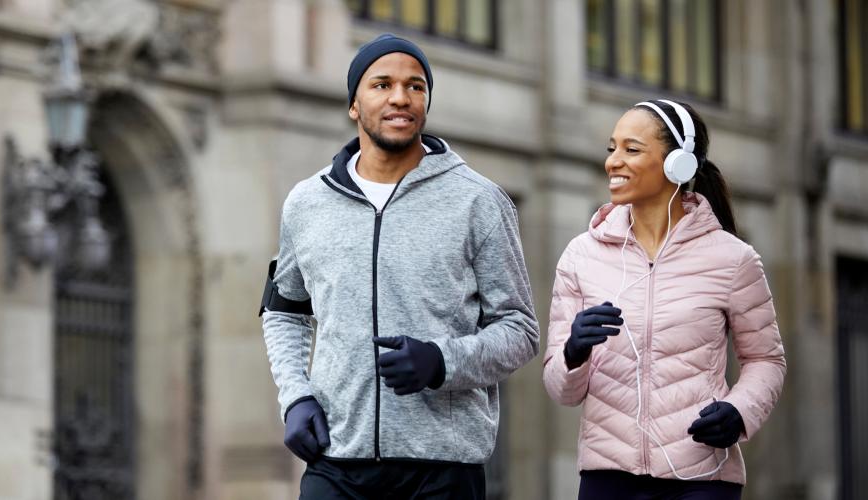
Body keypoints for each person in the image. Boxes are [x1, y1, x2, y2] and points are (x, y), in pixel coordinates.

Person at [260, 33, 539, 499]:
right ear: (354, 104)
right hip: (336, 461)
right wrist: (295, 396)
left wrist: (442, 361)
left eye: (415, 86)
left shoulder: (478, 201)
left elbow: (520, 330)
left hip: (442, 468)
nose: (400, 98)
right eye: (382, 84)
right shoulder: (307, 203)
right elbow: (284, 310)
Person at [542, 99, 786, 499]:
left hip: (702, 477)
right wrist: (572, 352)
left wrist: (739, 410)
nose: (613, 162)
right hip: (608, 479)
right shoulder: (580, 255)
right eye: (612, 148)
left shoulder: (733, 259)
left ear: (678, 164)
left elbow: (766, 360)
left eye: (632, 149)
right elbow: (561, 392)